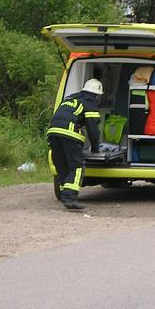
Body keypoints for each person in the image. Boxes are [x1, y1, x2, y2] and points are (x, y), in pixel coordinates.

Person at [47, 78, 103, 210]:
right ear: (96, 94)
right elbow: (93, 128)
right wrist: (95, 147)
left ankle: (64, 194)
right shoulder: (89, 102)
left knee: (62, 164)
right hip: (69, 133)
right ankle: (70, 199)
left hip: (53, 132)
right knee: (77, 166)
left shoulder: (70, 98)